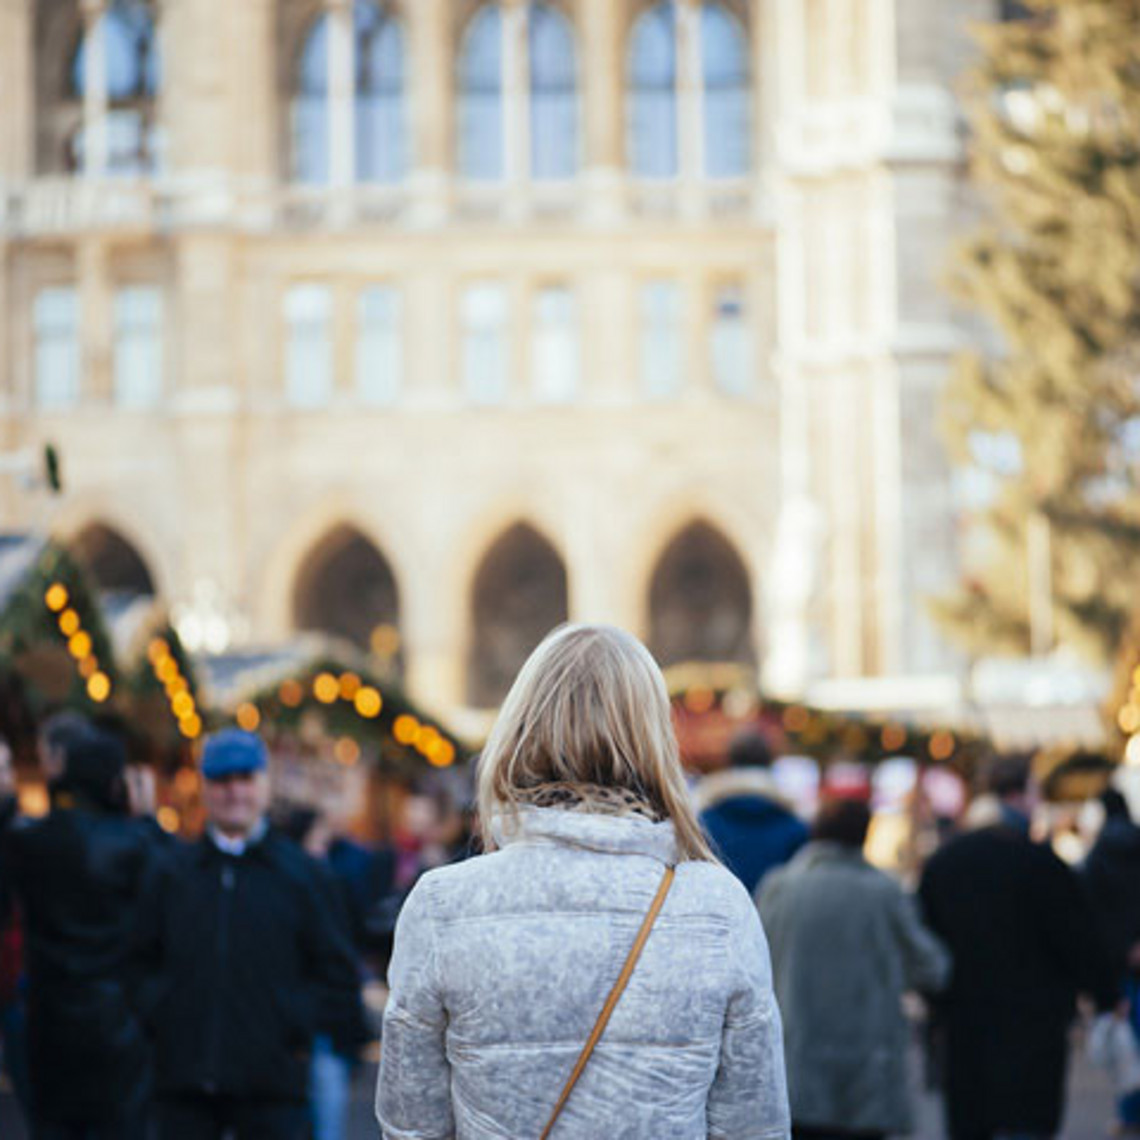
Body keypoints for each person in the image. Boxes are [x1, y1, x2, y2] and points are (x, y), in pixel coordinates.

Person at [376, 623, 790, 1140]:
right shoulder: (718, 907)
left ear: (521, 730)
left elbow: (411, 1126)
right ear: (654, 739)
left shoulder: (444, 906)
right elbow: (754, 1126)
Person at [137, 729, 367, 1140]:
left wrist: (295, 1028)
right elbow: (141, 958)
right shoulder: (173, 872)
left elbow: (335, 969)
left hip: (273, 1089)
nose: (234, 791)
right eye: (222, 780)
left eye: (245, 778)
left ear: (264, 784)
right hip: (184, 1086)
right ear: (205, 788)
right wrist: (162, 1021)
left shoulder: (303, 875)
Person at [919, 753, 1116, 1140]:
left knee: (973, 1121)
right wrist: (1106, 994)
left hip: (966, 1020)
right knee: (1028, 1122)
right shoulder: (1042, 864)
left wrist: (936, 1002)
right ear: (1021, 793)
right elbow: (1077, 938)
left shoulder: (946, 862)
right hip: (1034, 1022)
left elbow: (924, 941)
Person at [758, 797, 950, 1140]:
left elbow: (753, 966)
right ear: (864, 836)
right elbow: (931, 967)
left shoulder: (779, 887)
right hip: (868, 1069)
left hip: (795, 1061)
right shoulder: (884, 892)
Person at [6, 723, 154, 1139]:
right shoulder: (137, 844)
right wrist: (148, 816)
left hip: (48, 1018)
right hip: (118, 1022)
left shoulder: (30, 840)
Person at [1080, 787, 1140, 1132]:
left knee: (1127, 1037)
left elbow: (1092, 912)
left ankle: (1130, 1110)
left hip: (1117, 958)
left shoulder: (1099, 853)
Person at [695, 728, 808, 894]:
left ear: (729, 762)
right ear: (770, 762)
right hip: (770, 917)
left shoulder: (703, 821)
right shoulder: (795, 826)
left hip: (718, 915)